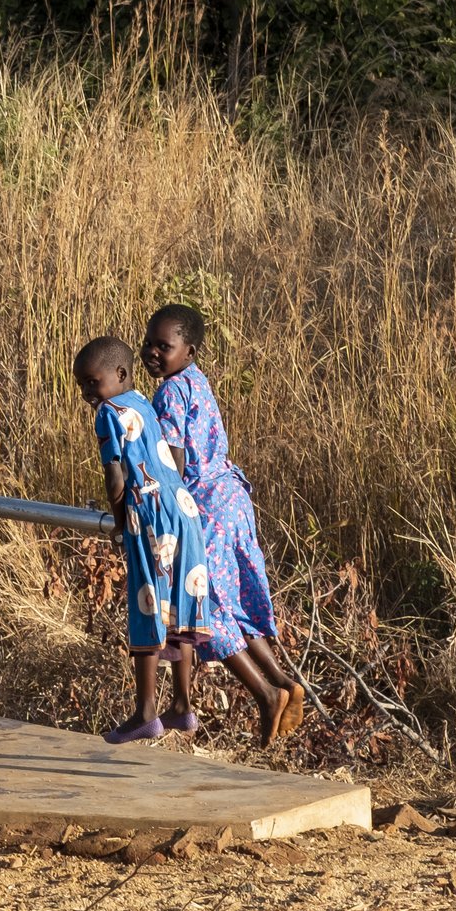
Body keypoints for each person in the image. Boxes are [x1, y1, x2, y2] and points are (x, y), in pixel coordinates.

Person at [143, 304, 306, 742]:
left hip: (205, 509)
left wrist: (165, 510)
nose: (154, 353)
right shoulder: (197, 381)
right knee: (231, 601)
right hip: (232, 497)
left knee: (208, 608)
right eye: (150, 344)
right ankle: (287, 683)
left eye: (165, 346)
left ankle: (265, 695)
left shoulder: (170, 393)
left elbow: (172, 460)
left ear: (189, 350)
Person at [73, 335, 215, 744]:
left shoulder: (108, 412)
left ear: (119, 374)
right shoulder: (142, 403)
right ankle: (183, 705)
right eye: (82, 386)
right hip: (184, 509)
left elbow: (115, 476)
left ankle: (145, 711)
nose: (87, 393)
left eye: (91, 382)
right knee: (182, 605)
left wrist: (120, 522)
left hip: (149, 511)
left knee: (148, 604)